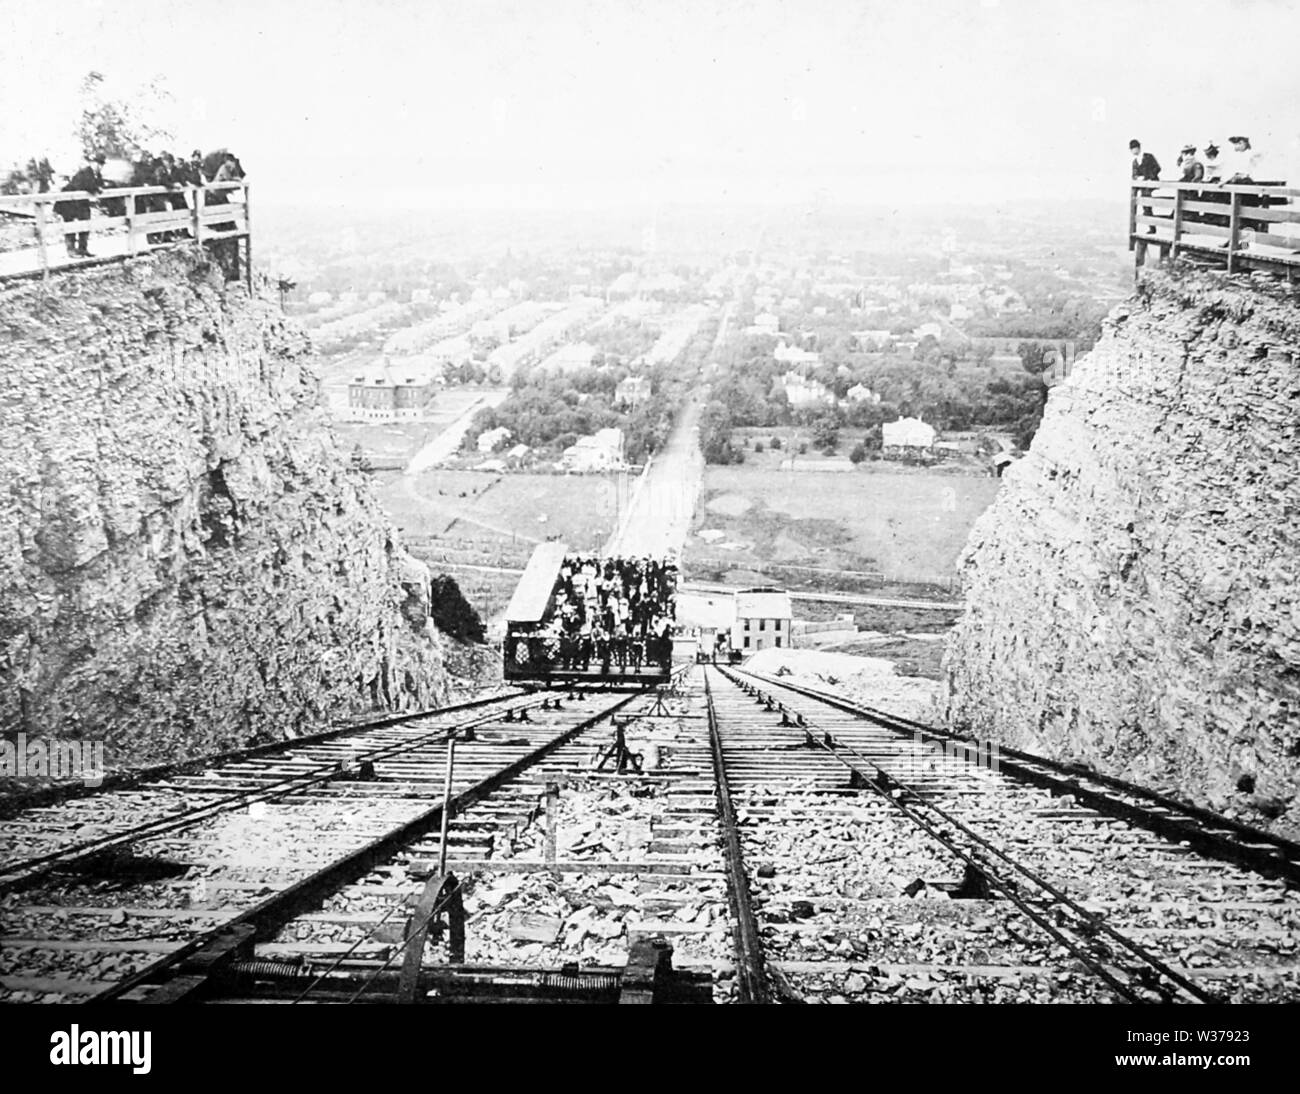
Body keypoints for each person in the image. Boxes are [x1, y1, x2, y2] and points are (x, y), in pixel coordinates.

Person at [55, 153, 104, 257]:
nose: (99, 166)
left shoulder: (97, 174)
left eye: (101, 164)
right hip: (68, 201)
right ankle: (71, 250)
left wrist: (98, 188)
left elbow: (100, 184)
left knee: (85, 223)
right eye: (97, 163)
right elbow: (87, 186)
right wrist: (96, 188)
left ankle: (83, 249)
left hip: (81, 202)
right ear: (92, 163)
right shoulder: (84, 172)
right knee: (70, 226)